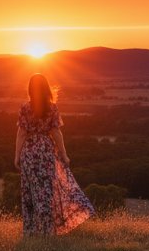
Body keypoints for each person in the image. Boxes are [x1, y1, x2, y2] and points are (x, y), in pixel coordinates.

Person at [14, 74, 95, 235]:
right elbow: (56, 133)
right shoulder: (52, 108)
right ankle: (47, 230)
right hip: (46, 153)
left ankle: (31, 231)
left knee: (30, 192)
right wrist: (64, 155)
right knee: (46, 192)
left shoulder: (25, 108)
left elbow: (22, 133)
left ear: (30, 89)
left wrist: (17, 155)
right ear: (46, 88)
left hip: (29, 153)